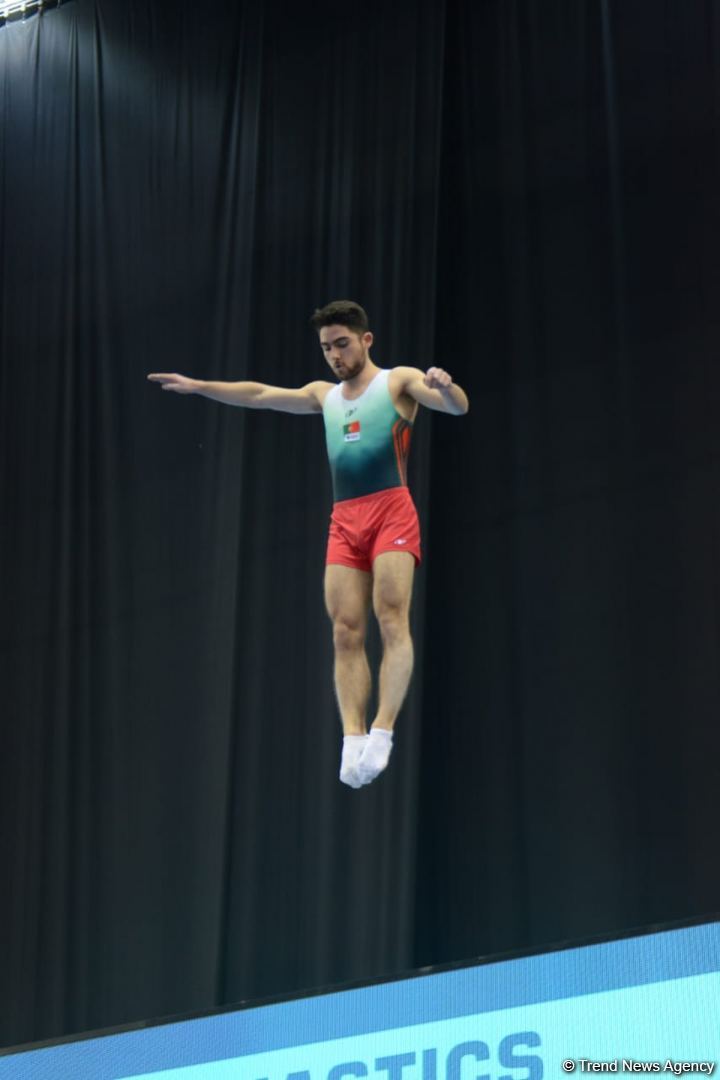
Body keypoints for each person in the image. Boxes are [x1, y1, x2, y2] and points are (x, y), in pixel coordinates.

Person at [148, 300, 468, 788]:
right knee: (344, 630)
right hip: (345, 519)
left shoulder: (397, 381)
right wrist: (199, 388)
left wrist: (446, 389)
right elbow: (258, 395)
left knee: (389, 615)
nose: (334, 356)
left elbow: (455, 406)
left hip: (391, 510)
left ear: (366, 339)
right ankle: (353, 737)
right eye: (326, 348)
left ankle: (382, 730)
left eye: (342, 344)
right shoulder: (325, 395)